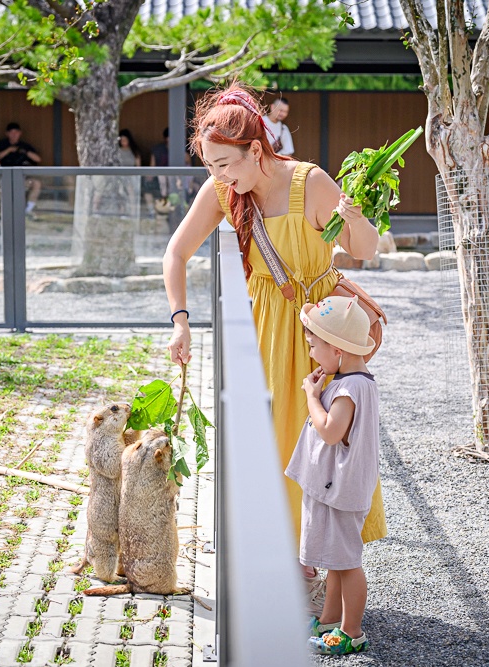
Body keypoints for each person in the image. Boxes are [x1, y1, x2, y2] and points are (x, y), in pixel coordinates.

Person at [162, 82, 387, 614]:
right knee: (269, 445)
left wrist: (354, 220)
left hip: (320, 336)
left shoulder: (310, 181)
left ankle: (318, 564)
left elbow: (366, 251)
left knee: (325, 445)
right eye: (211, 166)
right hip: (263, 332)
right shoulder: (222, 193)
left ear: (256, 150)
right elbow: (175, 254)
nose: (219, 176)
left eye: (225, 164)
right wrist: (180, 323)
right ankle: (284, 561)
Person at [286, 295, 379, 655]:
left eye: (314, 346)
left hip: (340, 489)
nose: (312, 354)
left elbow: (330, 431)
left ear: (337, 350)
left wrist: (312, 395)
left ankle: (352, 631)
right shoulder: (357, 382)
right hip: (337, 487)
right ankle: (329, 620)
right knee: (337, 562)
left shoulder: (349, 389)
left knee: (348, 563)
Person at [0, 122, 42, 215]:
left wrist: (25, 152)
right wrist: (9, 150)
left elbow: (38, 159)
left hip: (22, 180)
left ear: (20, 133)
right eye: (11, 132)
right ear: (7, 133)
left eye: (16, 132)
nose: (14, 134)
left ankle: (28, 211)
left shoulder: (25, 146)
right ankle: (1, 212)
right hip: (4, 180)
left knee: (36, 184)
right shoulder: (1, 144)